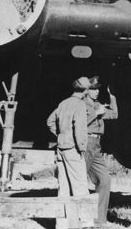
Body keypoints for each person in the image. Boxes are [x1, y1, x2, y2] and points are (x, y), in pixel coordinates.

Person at [46, 76, 90, 228]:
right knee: (80, 186)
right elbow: (80, 128)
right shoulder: (80, 105)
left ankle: (62, 224)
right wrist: (81, 146)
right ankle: (85, 222)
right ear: (85, 90)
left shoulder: (63, 103)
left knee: (63, 188)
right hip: (73, 149)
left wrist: (60, 135)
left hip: (61, 148)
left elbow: (50, 121)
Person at [84, 76, 119, 226]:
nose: (97, 92)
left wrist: (112, 97)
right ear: (86, 91)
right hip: (85, 143)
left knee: (105, 180)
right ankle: (76, 217)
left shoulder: (97, 104)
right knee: (78, 181)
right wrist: (95, 114)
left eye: (98, 89)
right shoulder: (80, 104)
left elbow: (114, 114)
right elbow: (77, 124)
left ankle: (99, 220)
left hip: (97, 145)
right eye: (93, 89)